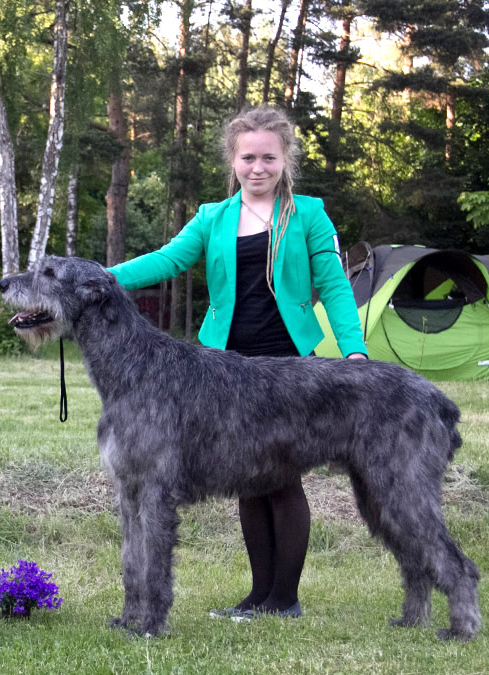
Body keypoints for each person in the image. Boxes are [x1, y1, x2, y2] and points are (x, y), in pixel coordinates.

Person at [108, 105, 367, 622]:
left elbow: (335, 285)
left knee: (284, 476)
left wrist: (354, 349)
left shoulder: (309, 214)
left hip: (290, 364)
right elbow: (167, 260)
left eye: (268, 157)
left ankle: (285, 599)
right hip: (223, 365)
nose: (258, 168)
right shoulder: (213, 217)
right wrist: (98, 275)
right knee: (246, 475)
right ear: (234, 160)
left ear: (284, 159)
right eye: (248, 157)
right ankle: (258, 596)